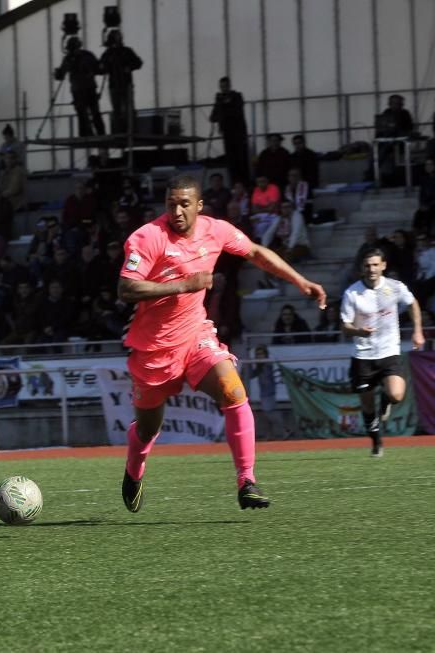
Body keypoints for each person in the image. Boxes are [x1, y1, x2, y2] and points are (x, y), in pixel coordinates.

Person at [117, 174, 326, 513]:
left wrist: (301, 281)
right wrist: (185, 285)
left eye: (185, 204)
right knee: (147, 428)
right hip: (154, 348)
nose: (178, 211)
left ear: (199, 205)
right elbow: (126, 289)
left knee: (233, 390)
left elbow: (256, 253)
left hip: (196, 335)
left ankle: (247, 481)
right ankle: (134, 470)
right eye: (171, 204)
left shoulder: (216, 230)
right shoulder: (148, 237)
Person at [340, 248, 424, 458]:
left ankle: (386, 401)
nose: (372, 269)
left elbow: (413, 303)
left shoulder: (395, 287)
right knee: (367, 404)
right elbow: (344, 325)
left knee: (396, 394)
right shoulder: (352, 293)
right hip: (363, 355)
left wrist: (417, 331)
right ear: (362, 268)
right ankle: (376, 442)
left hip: (389, 351)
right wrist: (359, 331)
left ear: (383, 265)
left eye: (376, 265)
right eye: (368, 265)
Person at [53, 37, 104, 137]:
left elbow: (99, 69)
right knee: (86, 112)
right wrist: (58, 73)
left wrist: (94, 70)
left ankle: (93, 133)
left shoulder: (77, 57)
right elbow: (99, 69)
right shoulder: (82, 56)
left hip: (84, 89)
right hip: (82, 89)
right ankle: (91, 133)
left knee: (90, 112)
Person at [98, 29, 143, 134]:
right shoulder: (109, 53)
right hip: (115, 85)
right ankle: (120, 131)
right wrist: (102, 67)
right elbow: (101, 69)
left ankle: (131, 130)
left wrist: (129, 67)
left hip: (125, 84)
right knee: (118, 109)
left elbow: (138, 63)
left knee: (128, 109)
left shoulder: (126, 51)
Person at [210, 77, 250, 185]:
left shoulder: (237, 96)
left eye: (225, 86)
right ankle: (235, 184)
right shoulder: (220, 99)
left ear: (229, 86)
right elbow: (213, 116)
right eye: (222, 87)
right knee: (232, 161)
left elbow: (236, 112)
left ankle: (244, 184)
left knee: (241, 160)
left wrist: (223, 106)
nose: (224, 89)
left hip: (239, 134)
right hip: (228, 135)